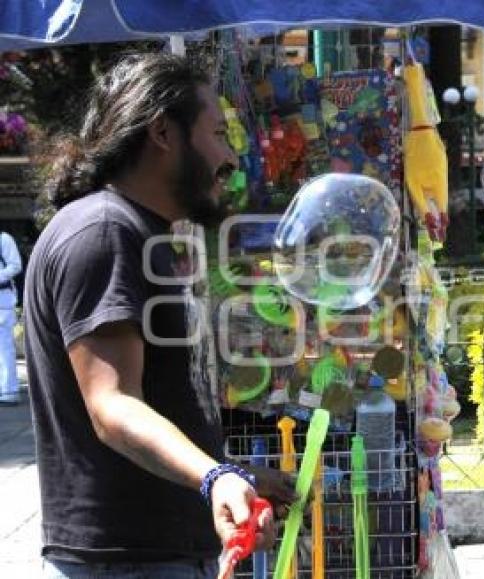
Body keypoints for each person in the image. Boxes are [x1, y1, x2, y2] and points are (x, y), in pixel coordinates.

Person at [25, 54, 296, 578]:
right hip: (128, 564)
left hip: (150, 557)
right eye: (217, 132)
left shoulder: (134, 232)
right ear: (163, 133)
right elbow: (113, 404)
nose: (231, 157)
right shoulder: (105, 232)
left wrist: (233, 474)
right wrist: (214, 476)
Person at [0, 230, 21, 405]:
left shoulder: (4, 238)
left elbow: (15, 265)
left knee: (4, 347)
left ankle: (8, 391)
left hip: (3, 300)